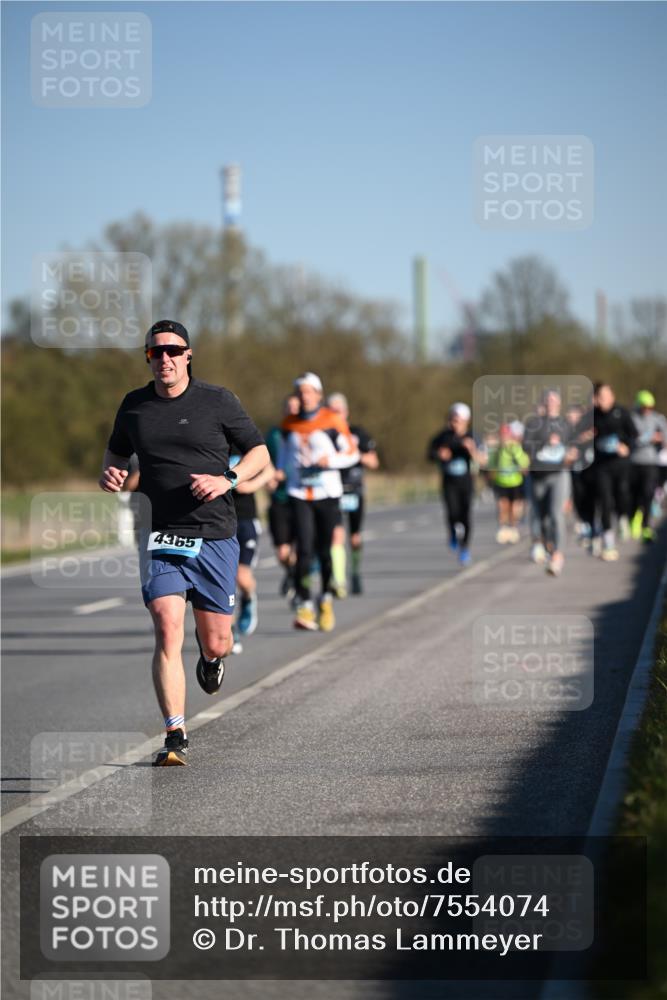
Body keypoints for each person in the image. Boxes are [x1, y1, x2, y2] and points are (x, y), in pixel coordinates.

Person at [99, 319, 269, 766]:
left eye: (174, 350)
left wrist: (227, 479)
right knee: (166, 623)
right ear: (148, 358)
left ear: (188, 354)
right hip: (160, 532)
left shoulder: (218, 401)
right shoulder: (134, 406)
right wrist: (111, 472)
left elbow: (259, 452)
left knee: (216, 641)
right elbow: (116, 451)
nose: (166, 359)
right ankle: (175, 733)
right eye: (156, 352)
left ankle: (212, 659)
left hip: (214, 532)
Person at [276, 372, 359, 632]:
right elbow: (283, 455)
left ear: (318, 395)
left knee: (324, 551)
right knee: (303, 549)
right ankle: (304, 604)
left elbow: (352, 454)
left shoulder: (332, 421)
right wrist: (279, 471)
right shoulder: (288, 423)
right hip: (299, 493)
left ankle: (325, 598)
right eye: (300, 392)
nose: (304, 396)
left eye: (309, 392)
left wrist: (329, 461)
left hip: (327, 494)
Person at [326, 392, 379, 594]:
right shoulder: (325, 434)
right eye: (331, 411)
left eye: (338, 411)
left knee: (355, 538)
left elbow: (374, 462)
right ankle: (339, 580)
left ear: (346, 412)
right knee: (336, 535)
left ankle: (355, 572)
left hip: (354, 490)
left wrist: (357, 454)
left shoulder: (358, 433)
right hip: (334, 491)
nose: (335, 415)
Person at [522, 390, 578, 576]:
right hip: (538, 475)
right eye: (548, 400)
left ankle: (558, 555)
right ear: (543, 403)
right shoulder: (534, 424)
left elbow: (574, 446)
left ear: (559, 404)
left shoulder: (565, 424)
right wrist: (546, 442)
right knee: (541, 516)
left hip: (559, 474)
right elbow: (526, 446)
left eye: (555, 400)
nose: (551, 403)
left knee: (556, 514)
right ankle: (545, 544)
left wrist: (572, 453)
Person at [229, 449, 276, 651]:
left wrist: (250, 486)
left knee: (242, 577)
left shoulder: (241, 440)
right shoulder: (206, 438)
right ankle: (232, 633)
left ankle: (248, 598)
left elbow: (269, 470)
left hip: (246, 519)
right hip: (217, 520)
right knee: (224, 580)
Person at [427, 402, 481, 567]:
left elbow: (482, 460)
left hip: (466, 482)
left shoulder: (473, 436)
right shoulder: (443, 436)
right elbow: (430, 453)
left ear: (466, 421)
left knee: (465, 516)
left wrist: (471, 450)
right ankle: (451, 532)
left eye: (459, 420)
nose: (455, 423)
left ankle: (464, 548)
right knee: (452, 512)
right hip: (449, 481)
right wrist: (439, 455)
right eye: (453, 419)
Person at [591, 382, 637, 561]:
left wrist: (627, 447)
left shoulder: (622, 412)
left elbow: (634, 435)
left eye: (606, 396)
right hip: (601, 465)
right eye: (600, 397)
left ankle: (624, 517)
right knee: (605, 500)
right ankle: (608, 543)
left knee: (622, 494)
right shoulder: (593, 416)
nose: (603, 400)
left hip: (621, 464)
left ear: (612, 396)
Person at [265, 395, 300, 599]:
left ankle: (296, 581)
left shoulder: (306, 432)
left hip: (300, 496)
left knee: (299, 546)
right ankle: (291, 573)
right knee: (282, 552)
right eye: (288, 407)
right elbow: (263, 456)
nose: (291, 411)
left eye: (295, 408)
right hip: (278, 498)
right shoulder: (274, 434)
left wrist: (289, 473)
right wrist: (269, 476)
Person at [630, 390, 666, 543]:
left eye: (650, 407)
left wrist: (660, 438)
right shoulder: (632, 418)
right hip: (634, 462)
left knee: (648, 493)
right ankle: (635, 516)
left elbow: (665, 435)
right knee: (634, 494)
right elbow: (633, 439)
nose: (647, 409)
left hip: (651, 462)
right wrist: (649, 437)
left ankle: (646, 526)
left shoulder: (657, 418)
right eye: (644, 406)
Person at [485, 424, 530, 543]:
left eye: (506, 435)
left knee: (514, 508)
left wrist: (515, 454)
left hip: (515, 482)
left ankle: (513, 528)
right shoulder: (497, 449)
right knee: (502, 506)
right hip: (501, 482)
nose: (504, 438)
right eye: (502, 435)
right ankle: (503, 528)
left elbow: (524, 463)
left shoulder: (515, 447)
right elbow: (492, 465)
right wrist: (490, 479)